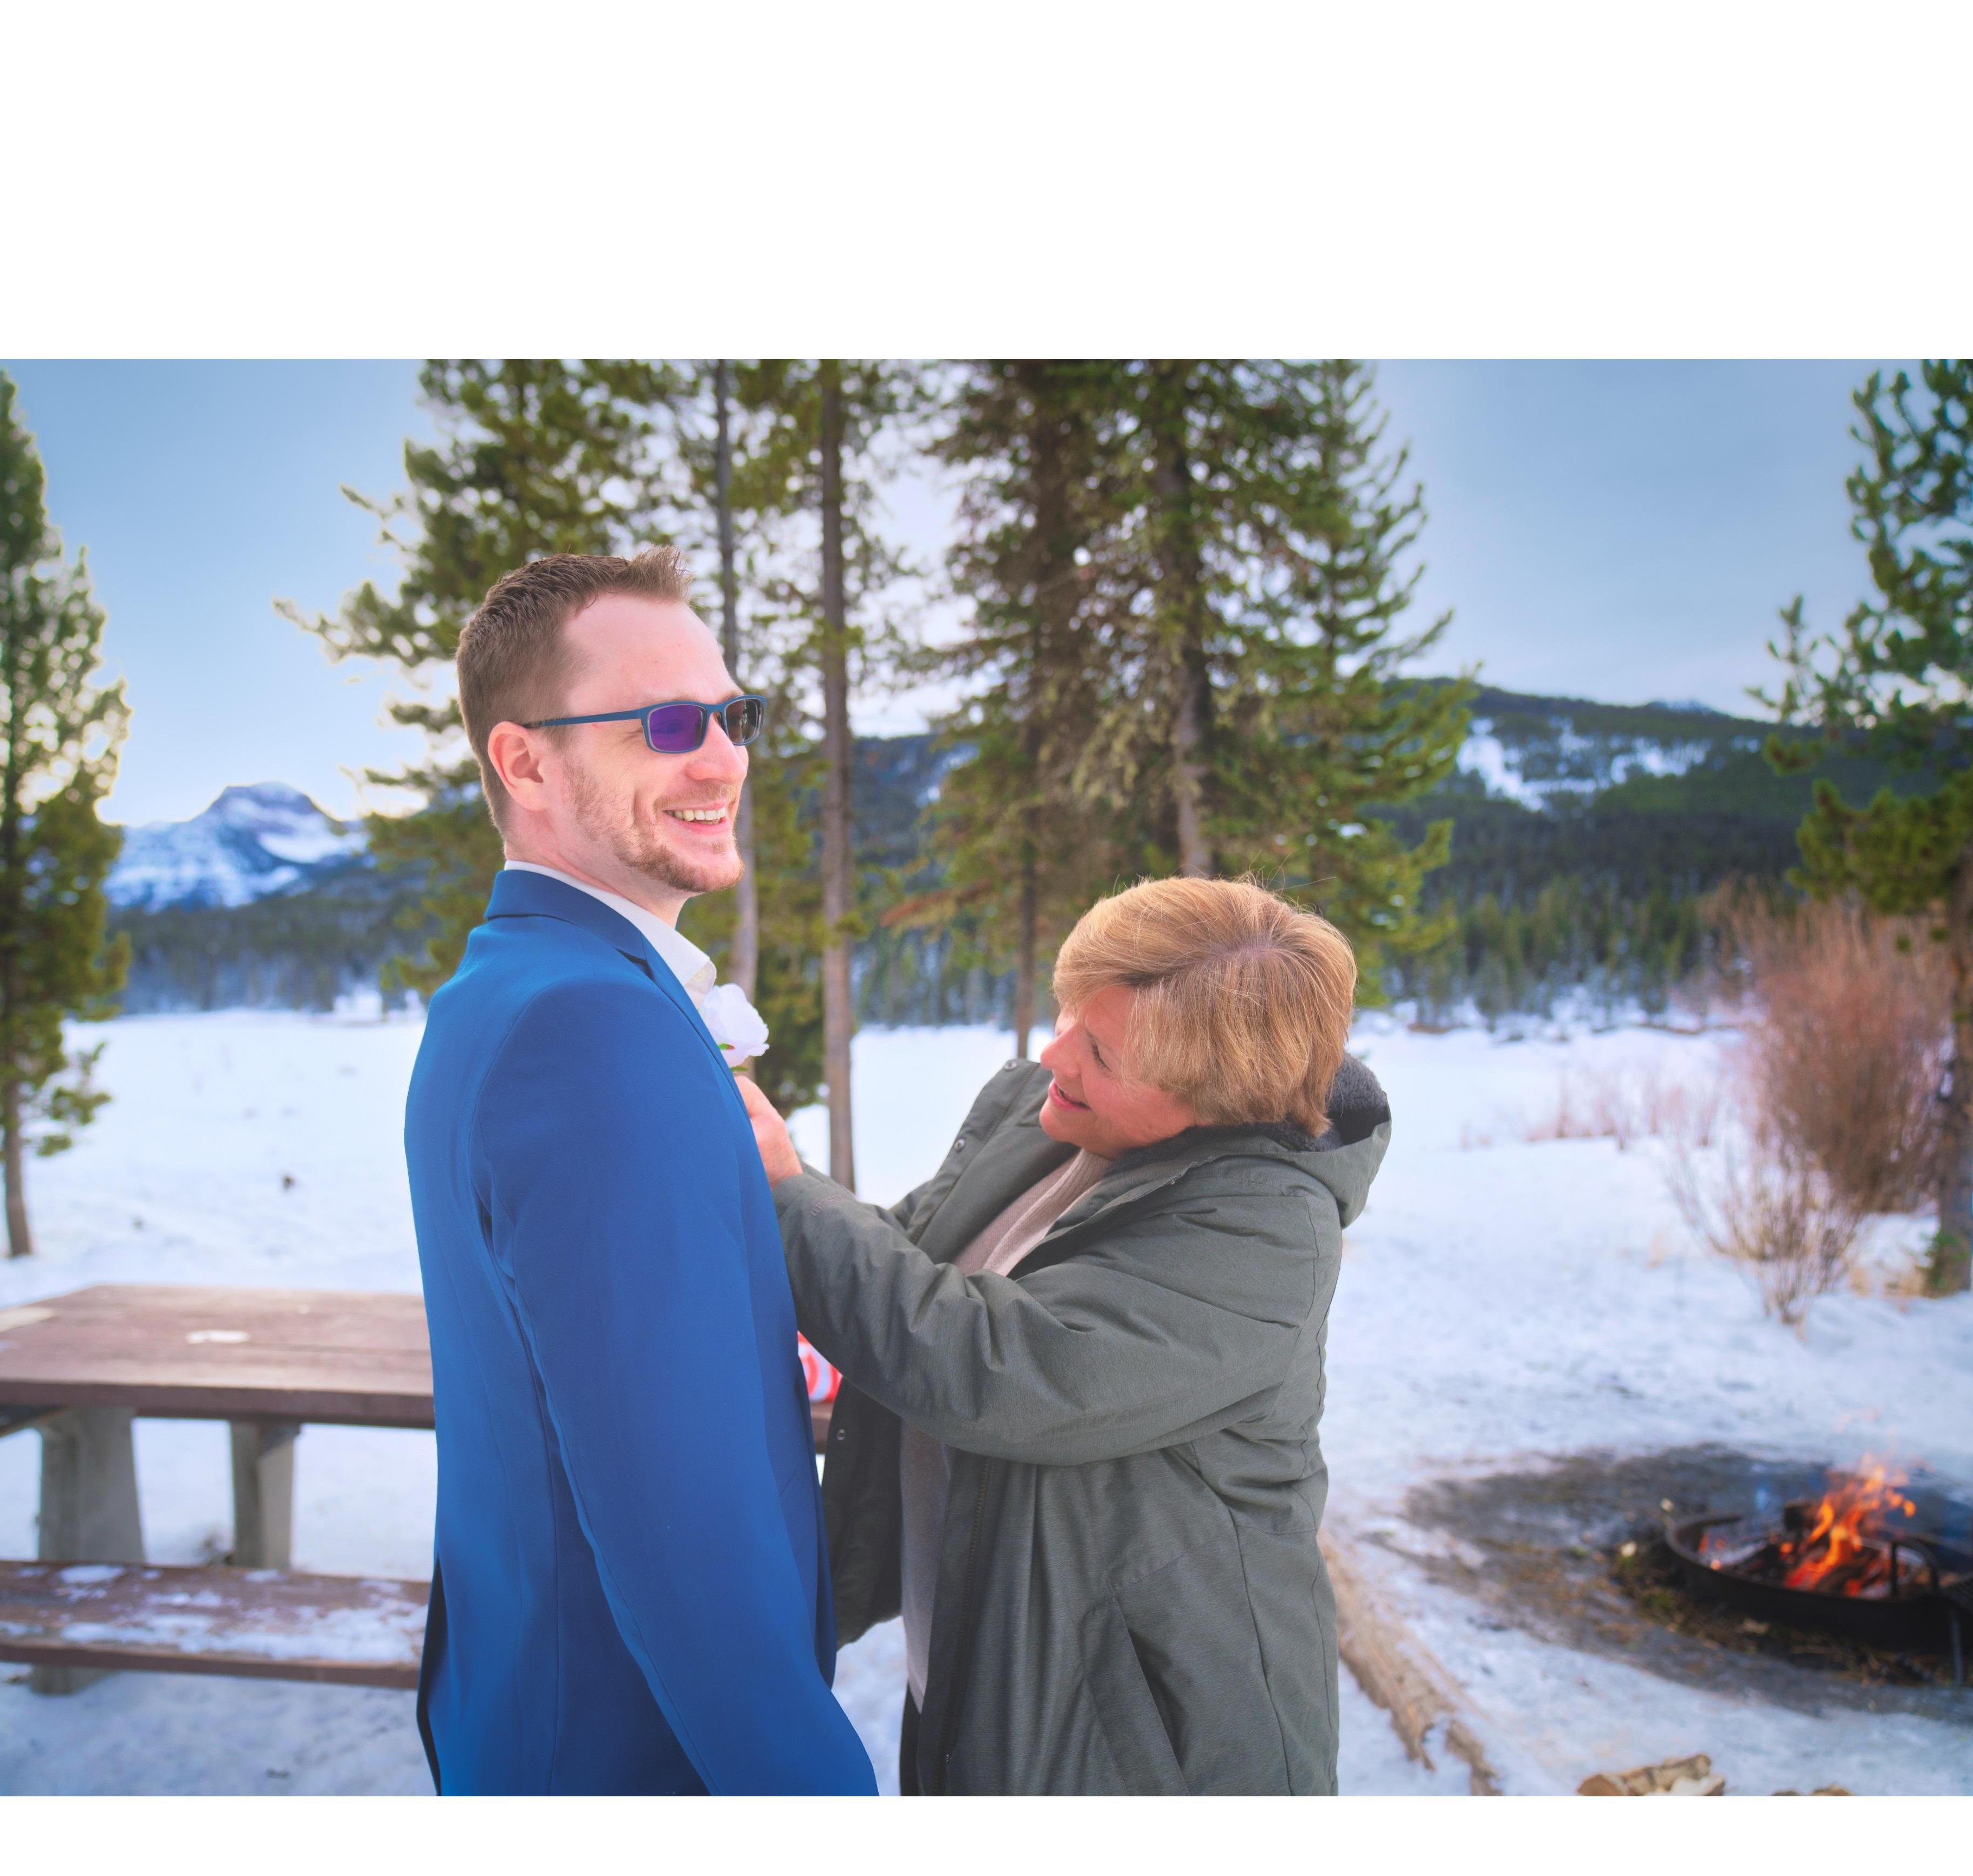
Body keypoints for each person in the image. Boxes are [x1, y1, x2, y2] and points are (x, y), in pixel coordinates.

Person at [736, 877, 1388, 1795]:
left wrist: (780, 1191)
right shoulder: (1050, 1117)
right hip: (987, 1669)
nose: (1054, 1054)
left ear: (1216, 1099)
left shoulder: (1263, 1237)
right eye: (1069, 1013)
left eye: (1100, 1053)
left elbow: (992, 1370)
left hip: (1141, 1742)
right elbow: (907, 1260)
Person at [404, 546, 874, 1795]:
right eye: (664, 724)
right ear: (524, 762)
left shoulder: (500, 987)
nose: (720, 759)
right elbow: (686, 1533)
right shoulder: (592, 1028)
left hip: (535, 1709)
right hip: (634, 1752)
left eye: (732, 716)